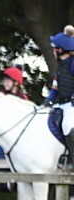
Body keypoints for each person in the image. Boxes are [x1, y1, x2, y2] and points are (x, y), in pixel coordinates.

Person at [45, 25, 74, 169]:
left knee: (67, 124)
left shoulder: (73, 64)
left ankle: (72, 160)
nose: (53, 50)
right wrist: (46, 101)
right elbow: (55, 88)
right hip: (62, 103)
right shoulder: (61, 66)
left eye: (54, 48)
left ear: (60, 49)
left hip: (72, 105)